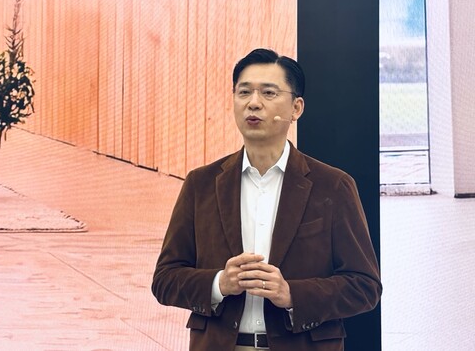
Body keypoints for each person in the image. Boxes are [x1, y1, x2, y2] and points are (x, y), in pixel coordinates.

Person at [151, 48, 381, 351]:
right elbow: (165, 280)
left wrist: (292, 294)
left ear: (296, 108)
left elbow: (364, 286)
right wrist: (219, 283)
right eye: (244, 92)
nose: (253, 103)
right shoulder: (201, 184)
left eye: (269, 93)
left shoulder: (333, 186)